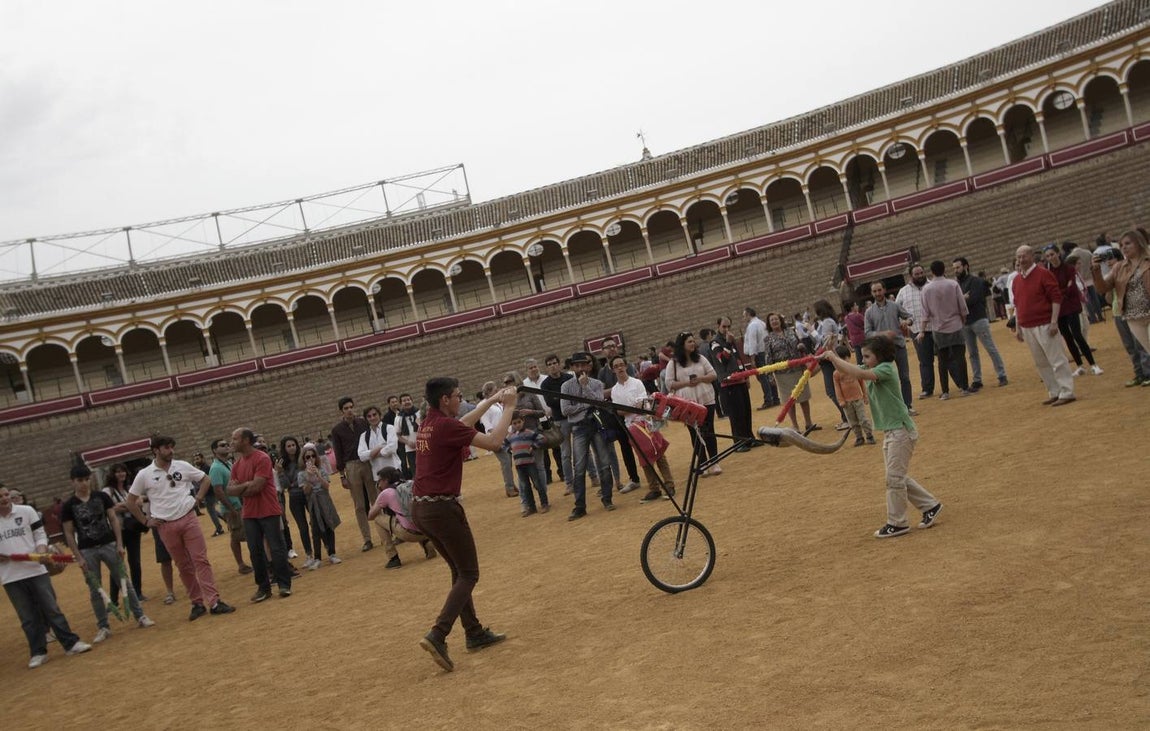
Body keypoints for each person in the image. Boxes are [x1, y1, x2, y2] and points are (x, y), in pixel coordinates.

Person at [414, 378, 516, 672]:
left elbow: (465, 422)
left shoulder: (429, 422)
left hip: (423, 509)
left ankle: (473, 632)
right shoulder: (445, 426)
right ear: (445, 399)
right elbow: (495, 442)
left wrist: (493, 398)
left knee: (458, 571)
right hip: (442, 509)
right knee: (469, 573)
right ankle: (438, 633)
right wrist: (508, 406)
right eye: (458, 396)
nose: (461, 400)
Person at [821, 336, 943, 539]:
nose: (864, 359)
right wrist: (832, 355)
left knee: (894, 479)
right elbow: (847, 371)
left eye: (868, 356)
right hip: (891, 431)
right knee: (896, 477)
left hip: (901, 431)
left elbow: (857, 372)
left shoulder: (886, 369)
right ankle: (931, 505)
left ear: (880, 356)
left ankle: (898, 523)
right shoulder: (873, 367)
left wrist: (834, 357)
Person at [126, 435, 236, 621]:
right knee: (183, 565)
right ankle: (197, 602)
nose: (171, 450)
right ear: (156, 450)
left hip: (188, 518)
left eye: (171, 447)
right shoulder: (145, 474)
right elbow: (130, 501)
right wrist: (146, 521)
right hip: (165, 525)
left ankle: (214, 601)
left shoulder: (182, 465)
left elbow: (205, 479)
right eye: (166, 447)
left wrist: (198, 499)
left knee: (200, 560)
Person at [0, 486, 93, 668]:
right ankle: (38, 652)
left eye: (5, 495)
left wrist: (42, 551)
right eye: (0, 496)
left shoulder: (26, 512)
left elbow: (40, 535)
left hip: (36, 570)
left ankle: (71, 643)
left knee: (51, 609)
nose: (4, 498)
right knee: (27, 617)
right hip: (10, 576)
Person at [61, 465, 154, 642]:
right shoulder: (69, 505)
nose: (84, 484)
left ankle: (140, 615)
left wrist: (119, 544)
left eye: (86, 479)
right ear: (72, 482)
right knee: (95, 589)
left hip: (108, 543)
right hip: (87, 549)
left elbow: (112, 519)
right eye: (80, 480)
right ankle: (103, 626)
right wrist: (79, 556)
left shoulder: (101, 497)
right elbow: (68, 532)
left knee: (124, 581)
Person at [228, 428, 293, 602]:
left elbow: (257, 487)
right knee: (255, 551)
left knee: (276, 548)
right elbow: (230, 490)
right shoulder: (236, 465)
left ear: (246, 440)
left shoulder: (262, 458)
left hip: (268, 509)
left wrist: (241, 487)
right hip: (249, 513)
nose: (232, 442)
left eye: (235, 439)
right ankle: (263, 587)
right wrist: (246, 486)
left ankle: (284, 584)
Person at [1011, 245, 1076, 406]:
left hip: (1045, 323)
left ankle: (1067, 391)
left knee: (1056, 359)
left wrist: (1054, 321)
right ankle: (1054, 391)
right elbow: (1018, 305)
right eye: (1018, 257)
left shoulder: (1043, 274)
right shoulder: (1017, 280)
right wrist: (1018, 326)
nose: (1021, 260)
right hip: (1027, 326)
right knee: (1041, 362)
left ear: (1032, 256)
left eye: (1024, 256)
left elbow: (1056, 298)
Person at [609, 355, 676, 502]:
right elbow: (619, 410)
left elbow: (643, 403)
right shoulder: (615, 390)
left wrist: (629, 408)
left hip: (645, 422)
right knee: (643, 457)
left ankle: (669, 484)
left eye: (621, 364)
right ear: (613, 370)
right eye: (616, 366)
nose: (619, 368)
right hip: (631, 427)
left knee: (658, 452)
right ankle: (654, 488)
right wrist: (632, 407)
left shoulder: (637, 383)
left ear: (626, 366)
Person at [561, 351, 617, 521]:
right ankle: (579, 506)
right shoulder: (566, 386)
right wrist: (586, 404)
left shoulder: (597, 383)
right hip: (579, 427)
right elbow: (565, 410)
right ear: (572, 367)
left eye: (583, 365)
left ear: (588, 365)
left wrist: (585, 388)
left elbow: (599, 402)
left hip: (596, 425)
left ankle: (607, 499)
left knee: (604, 463)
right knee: (579, 467)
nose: (580, 368)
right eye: (577, 365)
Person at [1042, 245, 1103, 377]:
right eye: (1047, 256)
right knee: (1068, 338)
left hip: (1072, 306)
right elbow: (1051, 291)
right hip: (1059, 309)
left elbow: (1071, 289)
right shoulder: (1048, 273)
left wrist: (1059, 291)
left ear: (1058, 254)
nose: (1050, 258)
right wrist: (1061, 291)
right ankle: (1080, 365)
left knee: (1077, 335)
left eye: (1052, 254)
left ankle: (1093, 364)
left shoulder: (1069, 268)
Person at [666, 331, 721, 475]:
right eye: (689, 342)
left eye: (693, 341)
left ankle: (714, 462)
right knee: (694, 433)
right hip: (687, 404)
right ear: (682, 345)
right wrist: (687, 383)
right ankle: (702, 463)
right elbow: (669, 383)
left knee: (709, 430)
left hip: (706, 399)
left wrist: (701, 379)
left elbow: (713, 374)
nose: (693, 344)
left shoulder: (701, 358)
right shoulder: (673, 363)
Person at [1092, 229, 1150, 359]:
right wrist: (1096, 270)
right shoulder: (1119, 267)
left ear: (1139, 243)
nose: (1124, 247)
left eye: (1128, 243)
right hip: (1133, 318)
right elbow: (1102, 288)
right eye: (1121, 245)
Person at [954, 257, 1009, 389]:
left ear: (966, 266)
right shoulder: (957, 284)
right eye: (954, 268)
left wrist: (959, 300)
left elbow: (973, 299)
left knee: (990, 348)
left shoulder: (976, 281)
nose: (956, 270)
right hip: (965, 322)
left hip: (978, 319)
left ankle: (1002, 375)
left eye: (958, 267)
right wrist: (963, 298)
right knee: (972, 353)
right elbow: (955, 303)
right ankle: (977, 379)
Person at [920, 260, 972, 400]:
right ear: (944, 270)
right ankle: (965, 387)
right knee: (960, 358)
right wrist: (963, 320)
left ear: (931, 272)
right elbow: (962, 306)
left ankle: (945, 391)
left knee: (942, 361)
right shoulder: (953, 284)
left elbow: (925, 313)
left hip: (938, 328)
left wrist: (922, 330)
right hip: (955, 325)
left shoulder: (926, 289)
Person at [331, 397, 377, 552]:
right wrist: (342, 475)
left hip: (367, 462)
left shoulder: (363, 423)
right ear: (341, 411)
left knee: (375, 500)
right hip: (351, 466)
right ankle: (367, 539)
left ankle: (385, 533)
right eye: (346, 408)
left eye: (351, 406)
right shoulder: (337, 430)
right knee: (359, 505)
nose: (349, 410)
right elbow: (338, 452)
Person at [596, 339, 642, 493]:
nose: (610, 349)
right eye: (607, 347)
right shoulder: (602, 372)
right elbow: (600, 393)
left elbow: (634, 382)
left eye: (612, 346)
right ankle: (634, 478)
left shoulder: (626, 365)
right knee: (625, 447)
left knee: (643, 443)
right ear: (602, 351)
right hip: (616, 416)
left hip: (635, 413)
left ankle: (653, 476)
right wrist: (616, 390)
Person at [367, 466, 436, 569]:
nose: (379, 484)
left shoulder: (386, 493)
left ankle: (393, 558)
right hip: (427, 530)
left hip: (408, 534)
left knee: (378, 519)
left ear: (386, 480)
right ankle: (427, 544)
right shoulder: (410, 484)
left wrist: (377, 501)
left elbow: (370, 516)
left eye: (380, 481)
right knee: (411, 514)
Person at [864, 281, 915, 411]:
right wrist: (883, 334)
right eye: (874, 291)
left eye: (879, 290)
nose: (877, 293)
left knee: (904, 377)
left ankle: (907, 406)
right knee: (883, 378)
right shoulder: (869, 312)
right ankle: (892, 406)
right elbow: (867, 333)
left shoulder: (895, 306)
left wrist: (906, 321)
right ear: (871, 293)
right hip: (881, 350)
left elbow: (910, 317)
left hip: (898, 345)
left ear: (884, 290)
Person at [764, 312, 817, 432]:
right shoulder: (768, 339)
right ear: (769, 324)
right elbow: (768, 358)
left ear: (780, 320)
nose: (774, 322)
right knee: (789, 400)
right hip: (782, 374)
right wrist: (770, 376)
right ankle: (795, 426)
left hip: (798, 368)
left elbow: (799, 344)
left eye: (776, 319)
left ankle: (809, 423)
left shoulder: (790, 332)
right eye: (772, 320)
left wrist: (801, 346)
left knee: (803, 397)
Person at [208, 438, 253, 576]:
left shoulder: (227, 463)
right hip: (232, 506)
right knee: (236, 534)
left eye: (227, 445)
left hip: (238, 503)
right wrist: (231, 509)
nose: (227, 447)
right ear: (215, 450)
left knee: (242, 533)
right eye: (222, 445)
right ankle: (241, 564)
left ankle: (244, 563)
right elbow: (218, 490)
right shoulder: (215, 468)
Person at [102, 463, 145, 603]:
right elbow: (109, 509)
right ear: (112, 475)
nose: (121, 474)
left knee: (135, 562)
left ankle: (138, 593)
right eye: (118, 472)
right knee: (117, 565)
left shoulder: (129, 488)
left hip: (132, 529)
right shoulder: (107, 491)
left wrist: (122, 506)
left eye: (123, 472)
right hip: (116, 531)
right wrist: (129, 505)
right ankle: (114, 598)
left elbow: (138, 502)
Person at [711, 316, 754, 451]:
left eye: (729, 326)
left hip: (740, 380)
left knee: (746, 411)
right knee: (736, 415)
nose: (727, 329)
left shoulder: (731, 339)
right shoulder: (715, 343)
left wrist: (746, 376)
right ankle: (738, 442)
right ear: (718, 326)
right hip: (728, 384)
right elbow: (722, 359)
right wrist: (728, 344)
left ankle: (749, 439)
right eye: (724, 327)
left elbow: (738, 358)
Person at [298, 444, 341, 566]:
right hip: (313, 502)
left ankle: (332, 553)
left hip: (324, 499)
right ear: (304, 459)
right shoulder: (301, 474)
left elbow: (326, 486)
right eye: (307, 457)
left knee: (329, 525)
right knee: (316, 529)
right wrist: (309, 476)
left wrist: (318, 475)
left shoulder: (321, 470)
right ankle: (317, 558)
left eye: (312, 456)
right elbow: (305, 491)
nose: (310, 459)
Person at [895, 265, 935, 398]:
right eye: (917, 274)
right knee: (925, 361)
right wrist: (904, 321)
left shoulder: (933, 285)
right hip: (917, 330)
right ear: (911, 276)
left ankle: (960, 384)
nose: (920, 276)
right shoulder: (903, 291)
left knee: (948, 357)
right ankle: (927, 389)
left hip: (937, 328)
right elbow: (897, 310)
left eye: (921, 273)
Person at [540, 355, 575, 497]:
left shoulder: (568, 378)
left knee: (584, 450)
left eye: (555, 363)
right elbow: (550, 402)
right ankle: (569, 483)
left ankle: (593, 476)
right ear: (547, 367)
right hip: (560, 420)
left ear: (559, 364)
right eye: (550, 364)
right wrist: (565, 398)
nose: (553, 366)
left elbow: (575, 395)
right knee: (565, 454)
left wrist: (560, 398)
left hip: (575, 416)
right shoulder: (545, 384)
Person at [812, 299, 850, 430]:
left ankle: (847, 417)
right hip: (829, 357)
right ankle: (847, 417)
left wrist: (811, 331)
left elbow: (825, 341)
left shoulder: (827, 322)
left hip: (828, 358)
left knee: (832, 391)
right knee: (836, 389)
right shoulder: (828, 321)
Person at [504, 416, 549, 516]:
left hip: (530, 462)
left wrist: (533, 446)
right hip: (519, 464)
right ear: (511, 424)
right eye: (514, 423)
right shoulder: (510, 436)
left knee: (537, 484)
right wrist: (509, 449)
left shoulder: (529, 432)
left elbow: (542, 439)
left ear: (523, 421)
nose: (517, 425)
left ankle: (544, 503)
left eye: (519, 422)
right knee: (525, 486)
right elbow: (504, 444)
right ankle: (531, 507)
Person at [832, 345, 875, 447]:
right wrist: (841, 400)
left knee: (863, 418)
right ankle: (859, 437)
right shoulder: (836, 374)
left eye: (845, 358)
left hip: (857, 398)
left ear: (849, 357)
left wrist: (865, 395)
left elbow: (862, 382)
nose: (843, 361)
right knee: (852, 421)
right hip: (847, 402)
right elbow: (837, 388)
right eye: (840, 359)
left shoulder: (854, 369)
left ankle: (869, 435)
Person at [743, 307, 779, 409]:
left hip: (759, 354)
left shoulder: (752, 325)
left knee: (763, 377)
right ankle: (775, 397)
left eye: (744, 315)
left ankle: (768, 399)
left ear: (749, 314)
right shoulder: (761, 323)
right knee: (768, 375)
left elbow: (753, 342)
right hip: (765, 352)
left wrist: (752, 358)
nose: (744, 318)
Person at [273, 436, 300, 559]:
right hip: (287, 494)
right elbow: (286, 484)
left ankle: (289, 548)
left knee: (284, 522)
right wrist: (281, 473)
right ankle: (286, 549)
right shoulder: (281, 463)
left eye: (293, 445)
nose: (292, 448)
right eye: (288, 446)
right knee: (281, 524)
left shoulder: (301, 458)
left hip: (282, 494)